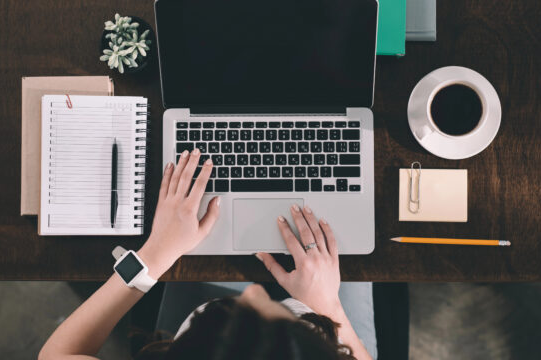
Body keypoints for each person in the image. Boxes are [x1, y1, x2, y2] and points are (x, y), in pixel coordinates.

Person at [39, 149, 376, 360]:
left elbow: (57, 355)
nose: (255, 290)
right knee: (350, 260)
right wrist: (328, 308)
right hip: (326, 320)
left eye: (239, 311)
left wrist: (153, 255)